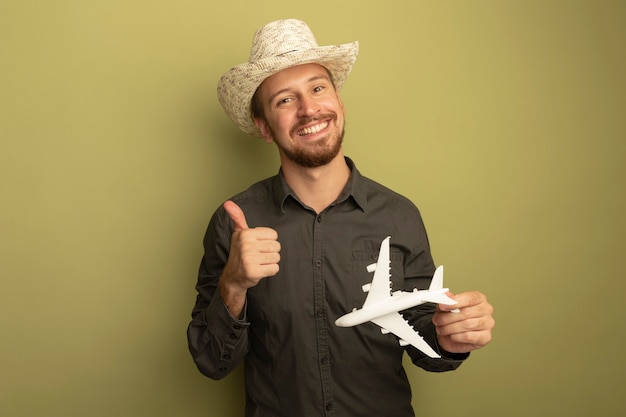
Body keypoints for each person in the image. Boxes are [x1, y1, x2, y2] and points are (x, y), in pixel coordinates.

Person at [187, 19, 495, 417]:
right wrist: (233, 285)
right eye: (285, 99)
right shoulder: (235, 222)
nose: (309, 109)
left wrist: (452, 336)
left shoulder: (399, 215)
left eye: (318, 88)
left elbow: (426, 343)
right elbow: (211, 362)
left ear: (338, 101)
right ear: (264, 127)